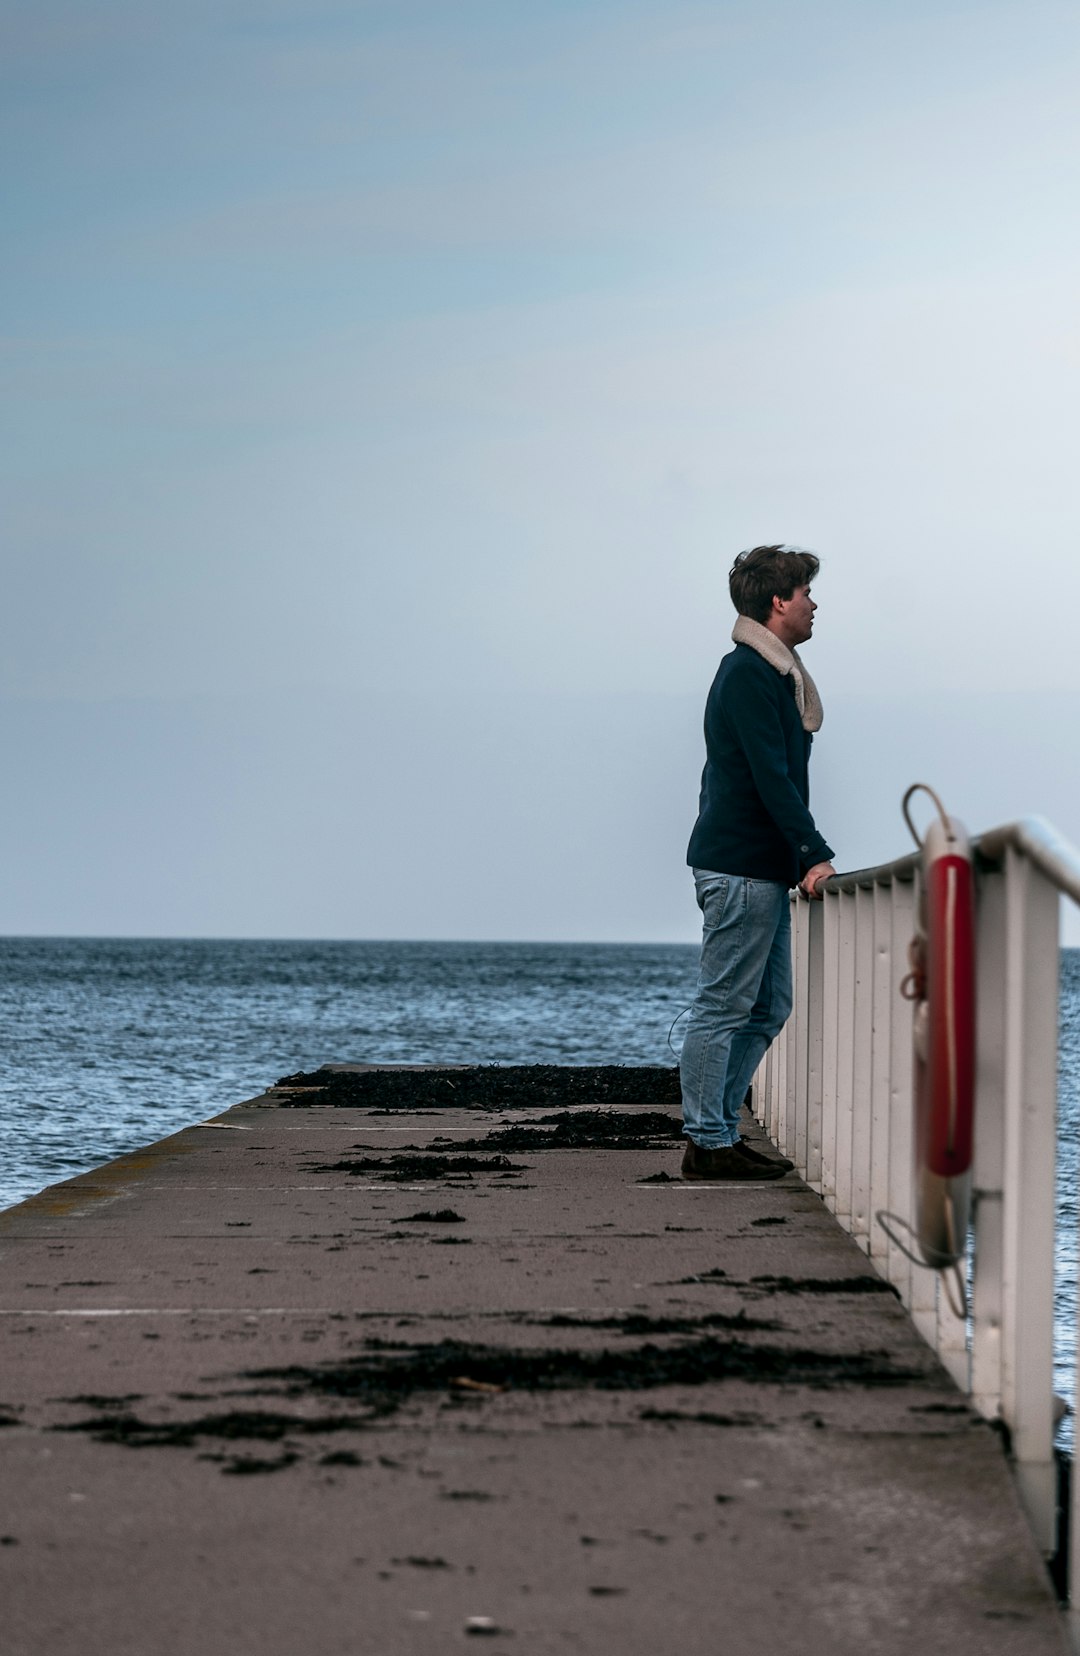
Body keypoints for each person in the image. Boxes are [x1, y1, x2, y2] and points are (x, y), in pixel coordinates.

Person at [679, 544, 836, 1181]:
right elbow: (771, 778)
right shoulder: (747, 672)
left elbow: (729, 776)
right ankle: (707, 1141)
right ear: (779, 601)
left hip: (758, 868)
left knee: (769, 1007)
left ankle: (715, 1131)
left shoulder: (770, 674)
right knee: (723, 1007)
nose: (814, 604)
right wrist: (812, 852)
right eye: (805, 593)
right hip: (742, 867)